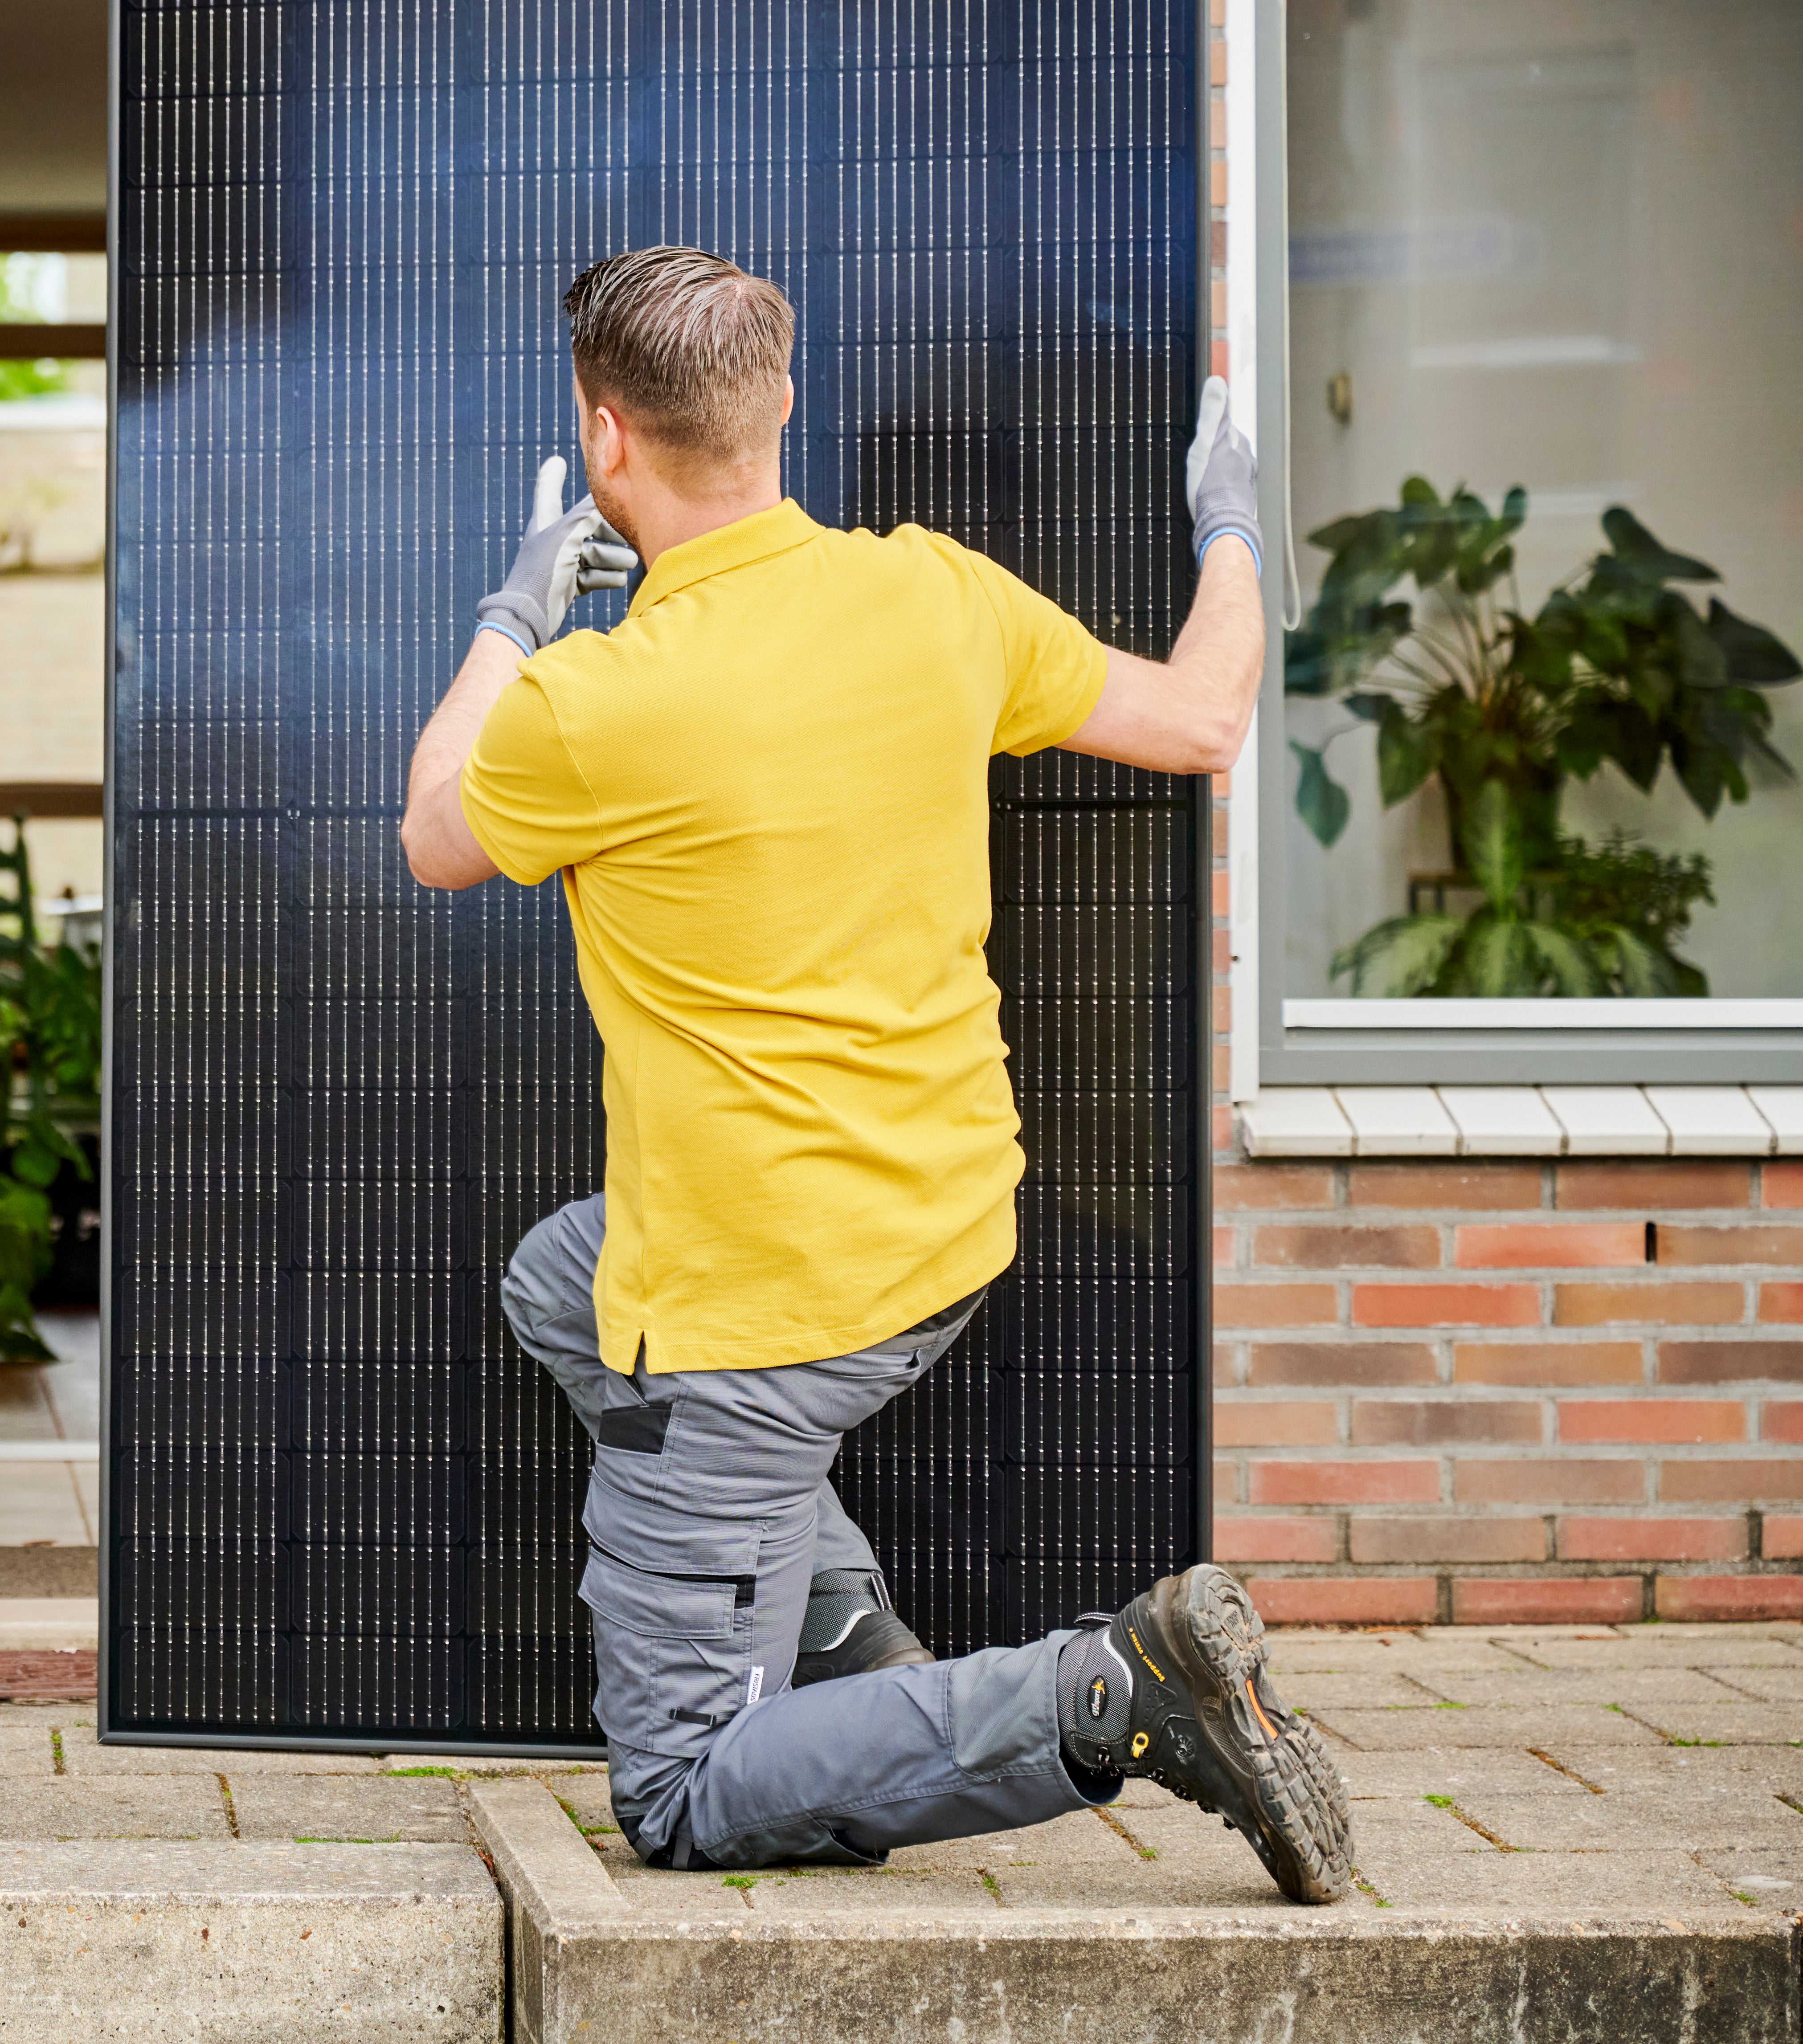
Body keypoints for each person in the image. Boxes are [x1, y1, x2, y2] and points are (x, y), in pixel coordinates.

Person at [399, 246, 1352, 1901]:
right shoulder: (936, 597)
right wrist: (1233, 527)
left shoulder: (587, 703)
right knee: (561, 1277)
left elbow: (431, 832)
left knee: (680, 1796)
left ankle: (1112, 1693)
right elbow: (1204, 719)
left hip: (751, 1316)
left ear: (606, 441)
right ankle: (844, 1636)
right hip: (942, 1235)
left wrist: (514, 610)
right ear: (781, 402)